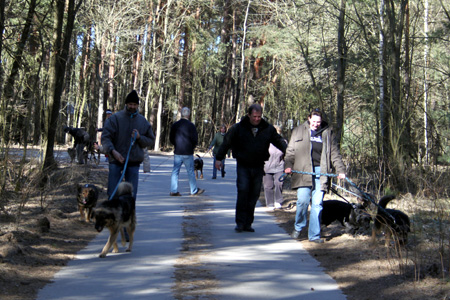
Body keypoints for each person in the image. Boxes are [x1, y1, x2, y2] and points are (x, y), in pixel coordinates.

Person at [215, 103, 286, 233]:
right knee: (243, 192)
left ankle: (248, 223)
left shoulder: (267, 129)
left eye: (259, 116)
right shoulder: (238, 128)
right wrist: (219, 158)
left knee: (254, 195)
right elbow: (226, 143)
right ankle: (240, 223)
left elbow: (279, 142)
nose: (257, 119)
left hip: (259, 165)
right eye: (254, 116)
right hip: (243, 165)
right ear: (249, 115)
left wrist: (290, 154)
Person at [284, 108, 346, 244]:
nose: (316, 124)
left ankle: (314, 235)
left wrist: (340, 170)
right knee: (302, 201)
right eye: (314, 121)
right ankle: (298, 227)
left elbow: (335, 154)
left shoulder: (328, 133)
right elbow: (290, 152)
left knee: (317, 204)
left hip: (321, 172)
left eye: (319, 121)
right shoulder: (298, 131)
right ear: (309, 119)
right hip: (303, 171)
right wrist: (288, 165)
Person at [101, 90, 155, 200]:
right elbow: (105, 138)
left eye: (135, 104)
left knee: (130, 195)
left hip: (133, 162)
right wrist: (113, 151)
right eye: (130, 104)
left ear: (138, 105)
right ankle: (112, 215)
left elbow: (151, 140)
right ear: (126, 104)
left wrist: (140, 138)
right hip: (115, 161)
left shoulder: (143, 122)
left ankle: (128, 216)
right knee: (113, 193)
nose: (132, 107)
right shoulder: (115, 119)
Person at [169, 107, 205, 196]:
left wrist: (176, 145)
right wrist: (192, 147)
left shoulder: (175, 125)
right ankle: (193, 190)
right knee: (190, 171)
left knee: (175, 171)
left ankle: (173, 190)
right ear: (188, 115)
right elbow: (195, 139)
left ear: (181, 114)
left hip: (178, 151)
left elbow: (171, 138)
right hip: (188, 152)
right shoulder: (191, 126)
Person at [263, 125, 286, 210]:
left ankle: (278, 201)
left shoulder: (284, 142)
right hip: (267, 167)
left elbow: (287, 154)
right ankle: (270, 203)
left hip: (279, 166)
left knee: (279, 183)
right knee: (268, 186)